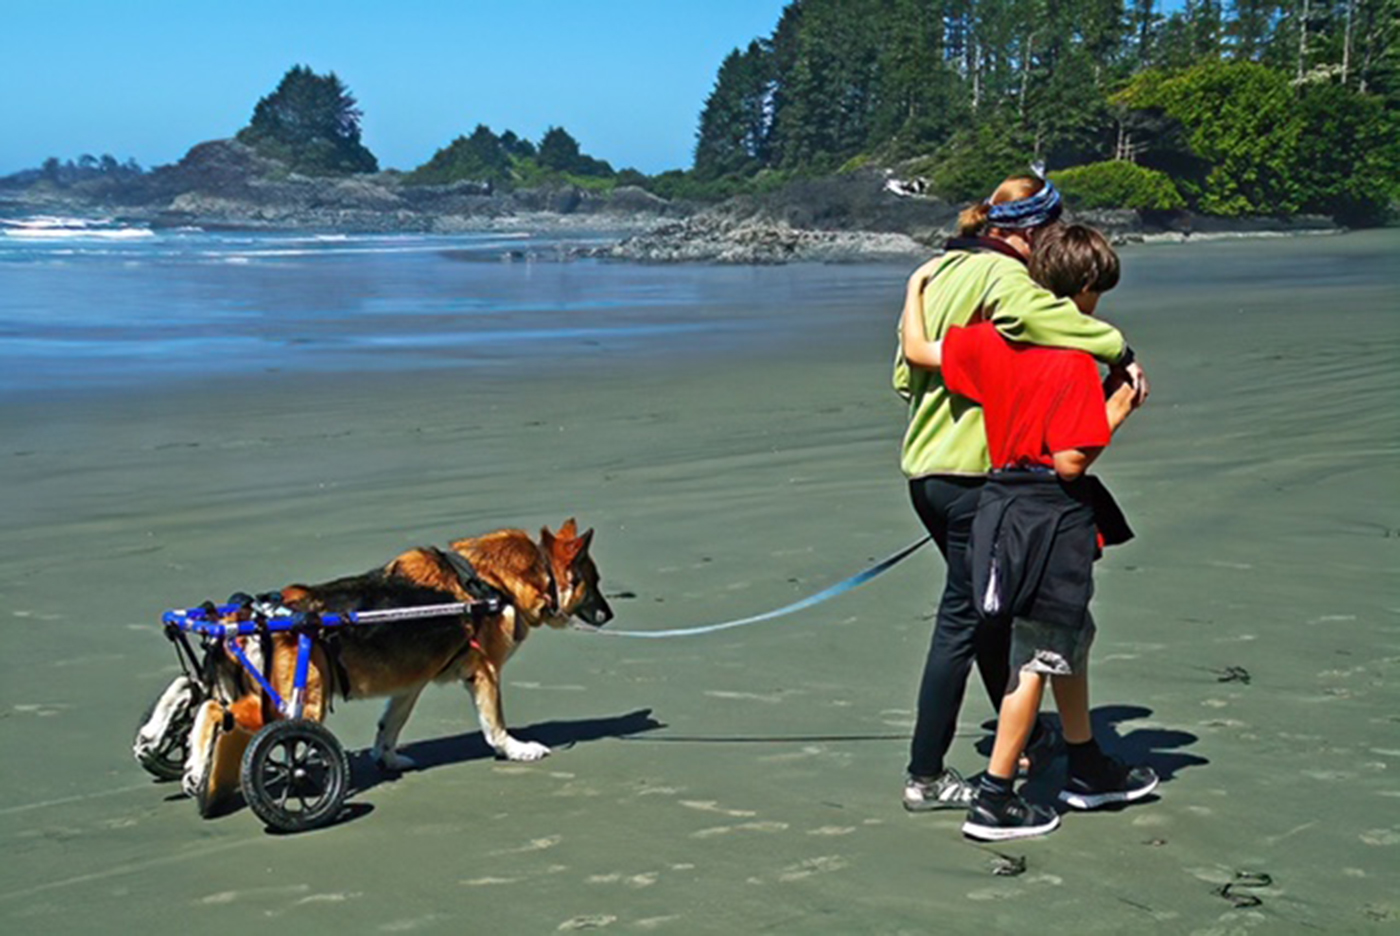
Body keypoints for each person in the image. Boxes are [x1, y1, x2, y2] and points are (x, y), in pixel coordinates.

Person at [893, 170, 1149, 812]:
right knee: (978, 621)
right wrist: (1120, 356)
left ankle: (1041, 741)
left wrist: (911, 289)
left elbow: (908, 370)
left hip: (925, 467)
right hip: (984, 474)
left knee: (992, 613)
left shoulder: (943, 270)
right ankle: (933, 776)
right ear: (1034, 232)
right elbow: (1050, 323)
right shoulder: (1008, 281)